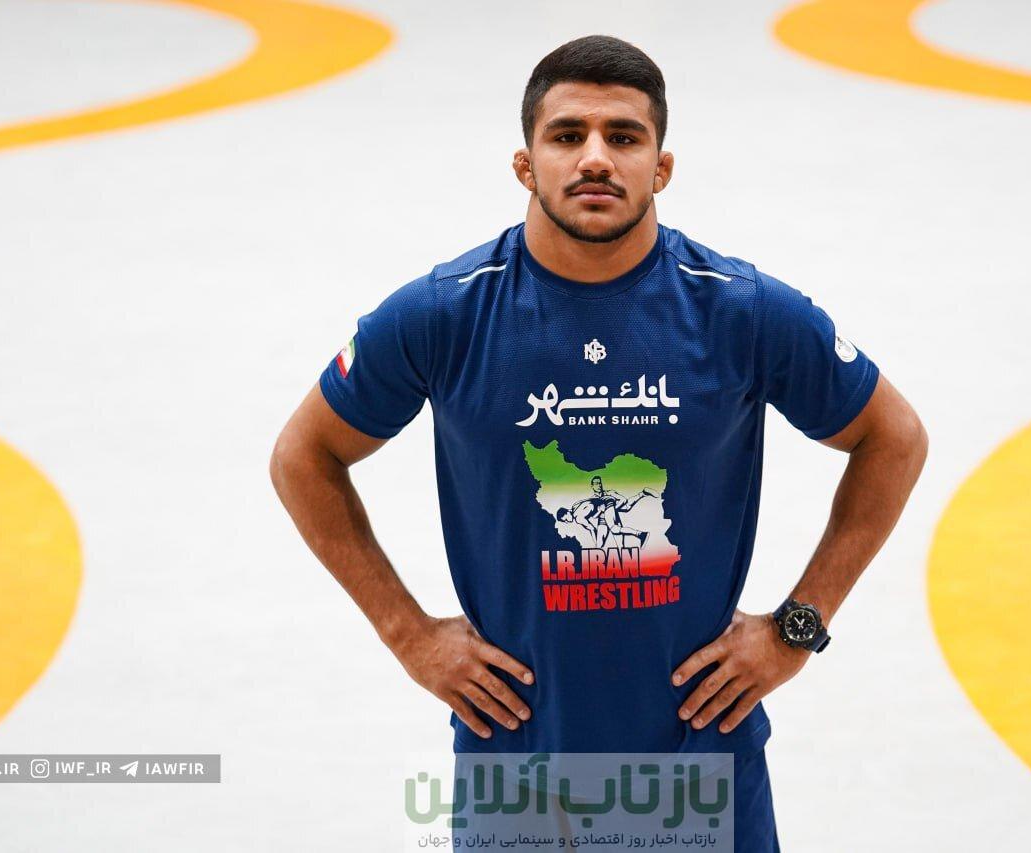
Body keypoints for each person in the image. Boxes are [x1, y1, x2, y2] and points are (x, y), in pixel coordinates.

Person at [269, 34, 928, 850]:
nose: (595, 158)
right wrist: (408, 634)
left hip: (700, 768)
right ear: (525, 164)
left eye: (623, 136)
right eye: (567, 134)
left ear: (661, 167)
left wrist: (797, 626)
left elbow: (893, 437)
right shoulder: (444, 314)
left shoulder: (740, 310)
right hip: (517, 774)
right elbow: (303, 455)